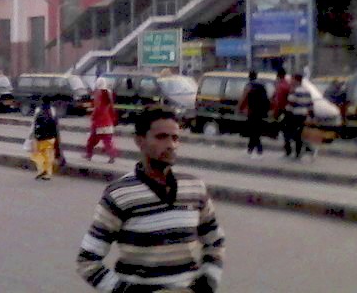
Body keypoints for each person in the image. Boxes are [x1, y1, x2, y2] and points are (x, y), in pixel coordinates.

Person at [77, 107, 225, 292]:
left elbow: (215, 241)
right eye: (161, 137)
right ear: (140, 141)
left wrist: (206, 284)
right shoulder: (119, 194)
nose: (171, 145)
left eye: (175, 138)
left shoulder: (195, 188)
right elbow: (87, 260)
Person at [84, 78, 119, 164]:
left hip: (99, 122)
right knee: (108, 142)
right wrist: (113, 119)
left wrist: (93, 117)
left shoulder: (98, 93)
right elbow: (111, 109)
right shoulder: (108, 93)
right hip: (108, 122)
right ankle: (112, 156)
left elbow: (97, 108)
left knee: (91, 141)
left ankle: (88, 155)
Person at [237, 70, 270, 158]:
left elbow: (244, 97)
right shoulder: (262, 85)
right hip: (261, 112)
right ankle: (250, 149)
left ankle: (259, 150)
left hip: (252, 111)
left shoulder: (249, 85)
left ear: (249, 77)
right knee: (255, 131)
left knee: (253, 131)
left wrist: (239, 108)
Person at [29, 96, 61, 181]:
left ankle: (41, 170)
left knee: (38, 154)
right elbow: (56, 124)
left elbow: (34, 123)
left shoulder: (38, 110)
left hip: (40, 137)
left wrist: (32, 135)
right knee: (49, 156)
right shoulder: (53, 110)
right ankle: (48, 174)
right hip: (51, 137)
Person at [283, 74, 314, 160]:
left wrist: (286, 113)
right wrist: (311, 116)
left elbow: (291, 103)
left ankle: (297, 150)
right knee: (299, 133)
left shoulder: (294, 90)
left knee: (291, 133)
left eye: (292, 80)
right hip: (303, 115)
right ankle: (298, 153)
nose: (291, 81)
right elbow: (310, 104)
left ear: (297, 80)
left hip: (294, 115)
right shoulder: (307, 91)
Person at [271, 67, 292, 155]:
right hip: (289, 111)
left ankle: (288, 149)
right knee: (288, 130)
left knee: (285, 131)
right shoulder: (288, 84)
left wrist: (275, 114)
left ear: (278, 76)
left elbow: (278, 101)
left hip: (283, 111)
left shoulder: (281, 86)